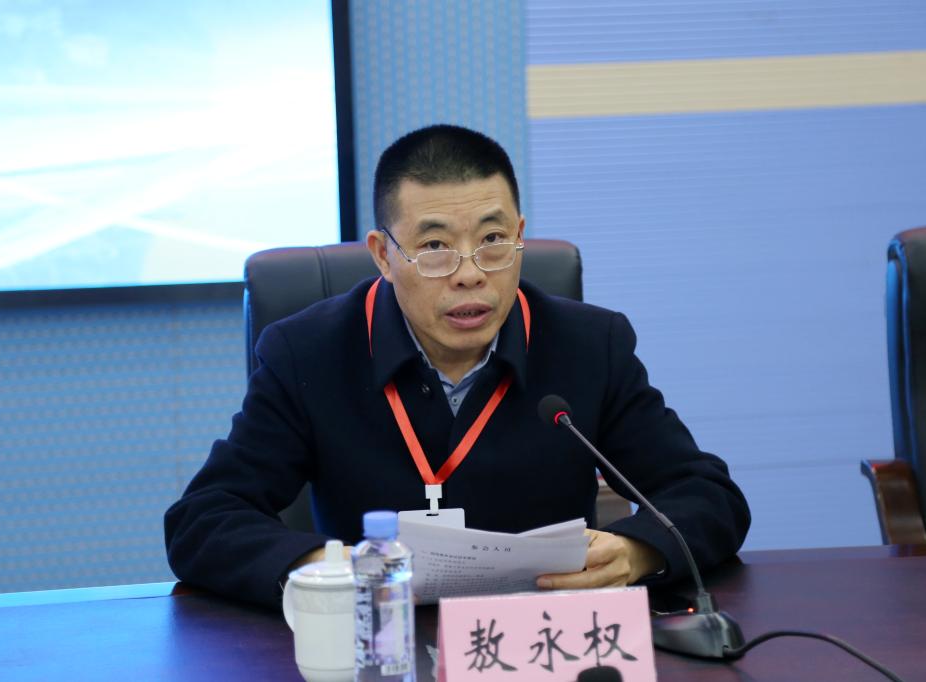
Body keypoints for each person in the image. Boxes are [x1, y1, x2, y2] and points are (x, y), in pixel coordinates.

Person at [164, 124, 750, 610]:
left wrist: (637, 551)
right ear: (383, 255)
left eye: (493, 239)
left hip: (541, 644)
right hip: (378, 645)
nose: (470, 274)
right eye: (435, 247)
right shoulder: (308, 353)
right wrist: (333, 568)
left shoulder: (589, 345)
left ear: (520, 237)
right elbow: (203, 519)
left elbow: (707, 494)